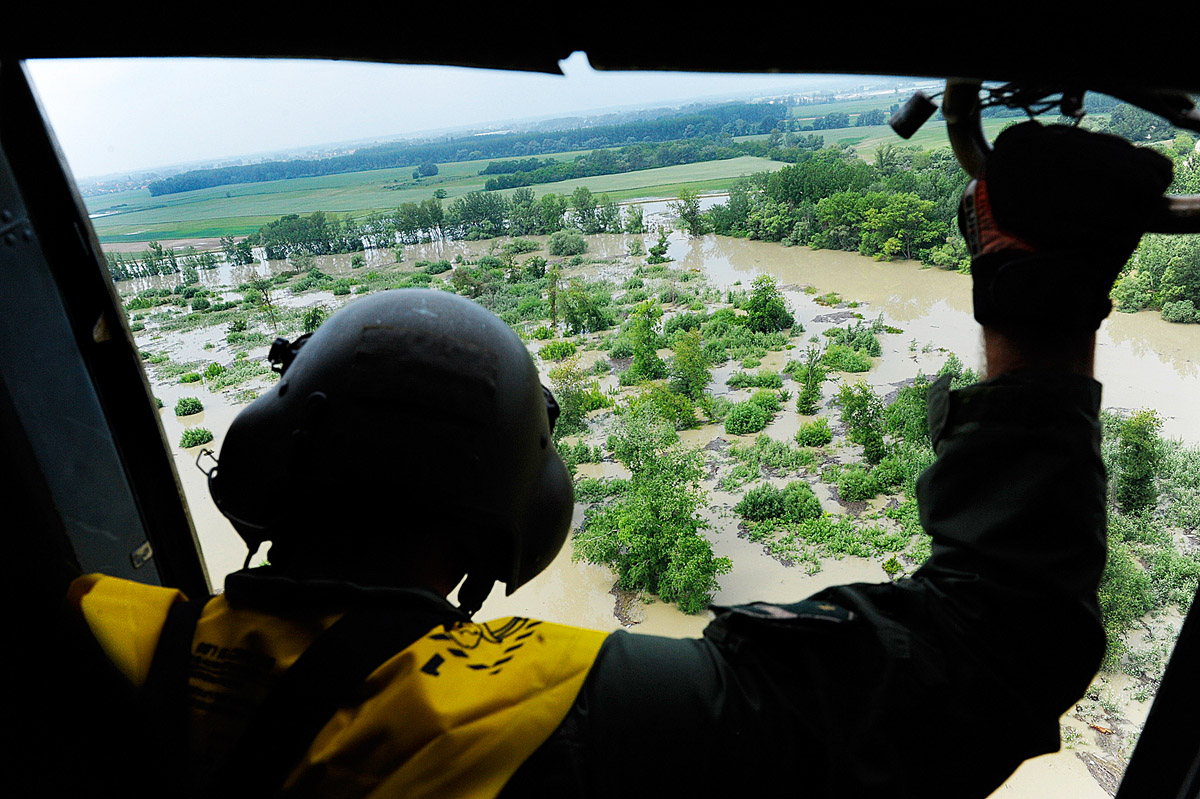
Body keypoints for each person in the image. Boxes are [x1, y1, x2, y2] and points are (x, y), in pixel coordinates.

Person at [66, 122, 1173, 798]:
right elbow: (995, 652)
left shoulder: (89, 632)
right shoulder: (559, 720)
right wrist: (1036, 290)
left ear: (259, 458)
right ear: (522, 510)